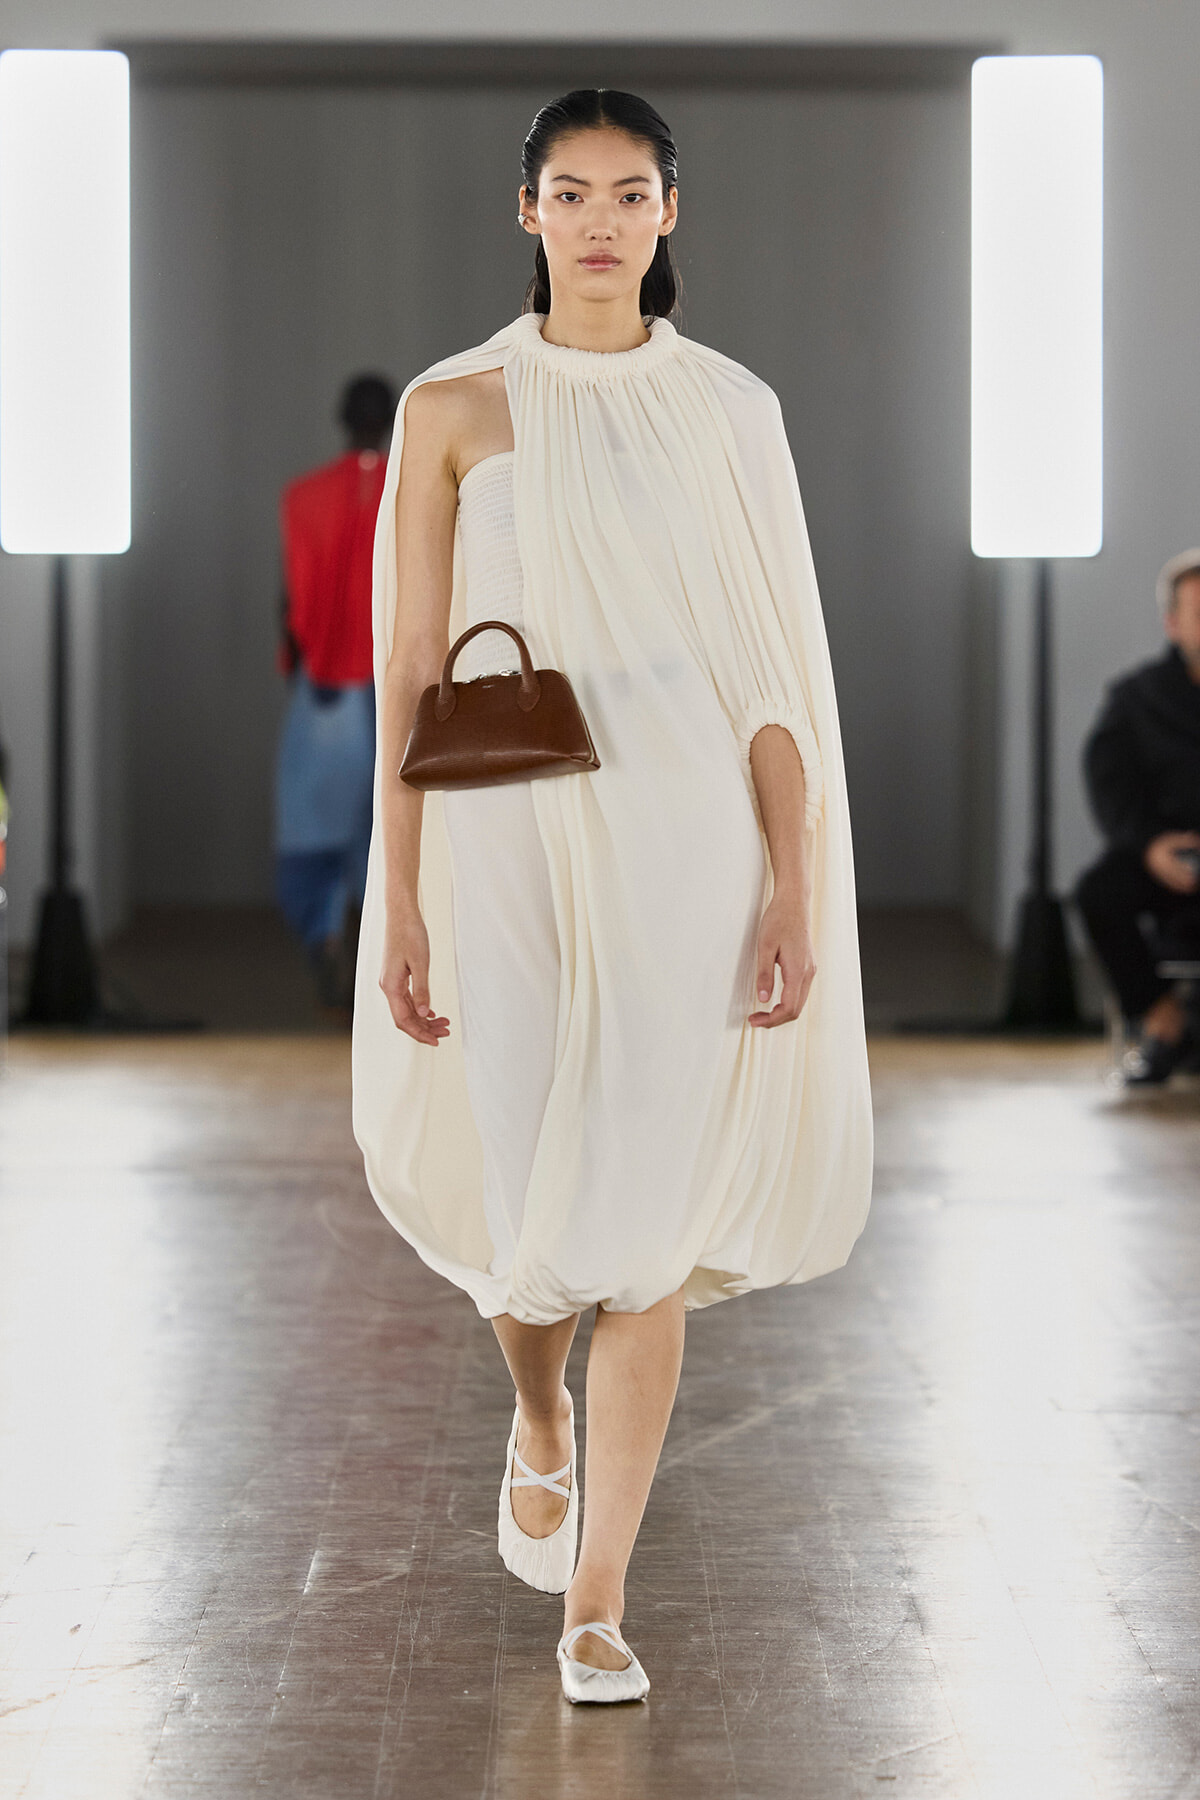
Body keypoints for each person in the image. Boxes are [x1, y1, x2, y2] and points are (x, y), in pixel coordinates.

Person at [351, 90, 873, 1703]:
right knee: (532, 1204)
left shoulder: (730, 412)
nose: (599, 220)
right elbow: (411, 667)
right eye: (569, 192)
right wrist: (403, 892)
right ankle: (539, 1410)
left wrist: (793, 885)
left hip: (688, 834)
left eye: (628, 192)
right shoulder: (454, 406)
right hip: (502, 824)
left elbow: (771, 680)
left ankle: (598, 1602)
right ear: (526, 213)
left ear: (668, 213)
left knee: (647, 1231)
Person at [274, 374, 396, 1012]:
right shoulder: (414, 489)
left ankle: (325, 941)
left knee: (316, 829)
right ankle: (377, 953)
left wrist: (296, 661)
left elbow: (292, 595)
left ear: (342, 417)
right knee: (389, 828)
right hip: (398, 678)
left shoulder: (304, 496)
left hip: (324, 682)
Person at [1075, 547, 1200, 1085]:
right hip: (1164, 857)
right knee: (1099, 893)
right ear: (1173, 623)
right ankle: (1165, 1024)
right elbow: (1109, 781)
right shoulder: (1138, 697)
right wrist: (1149, 845)